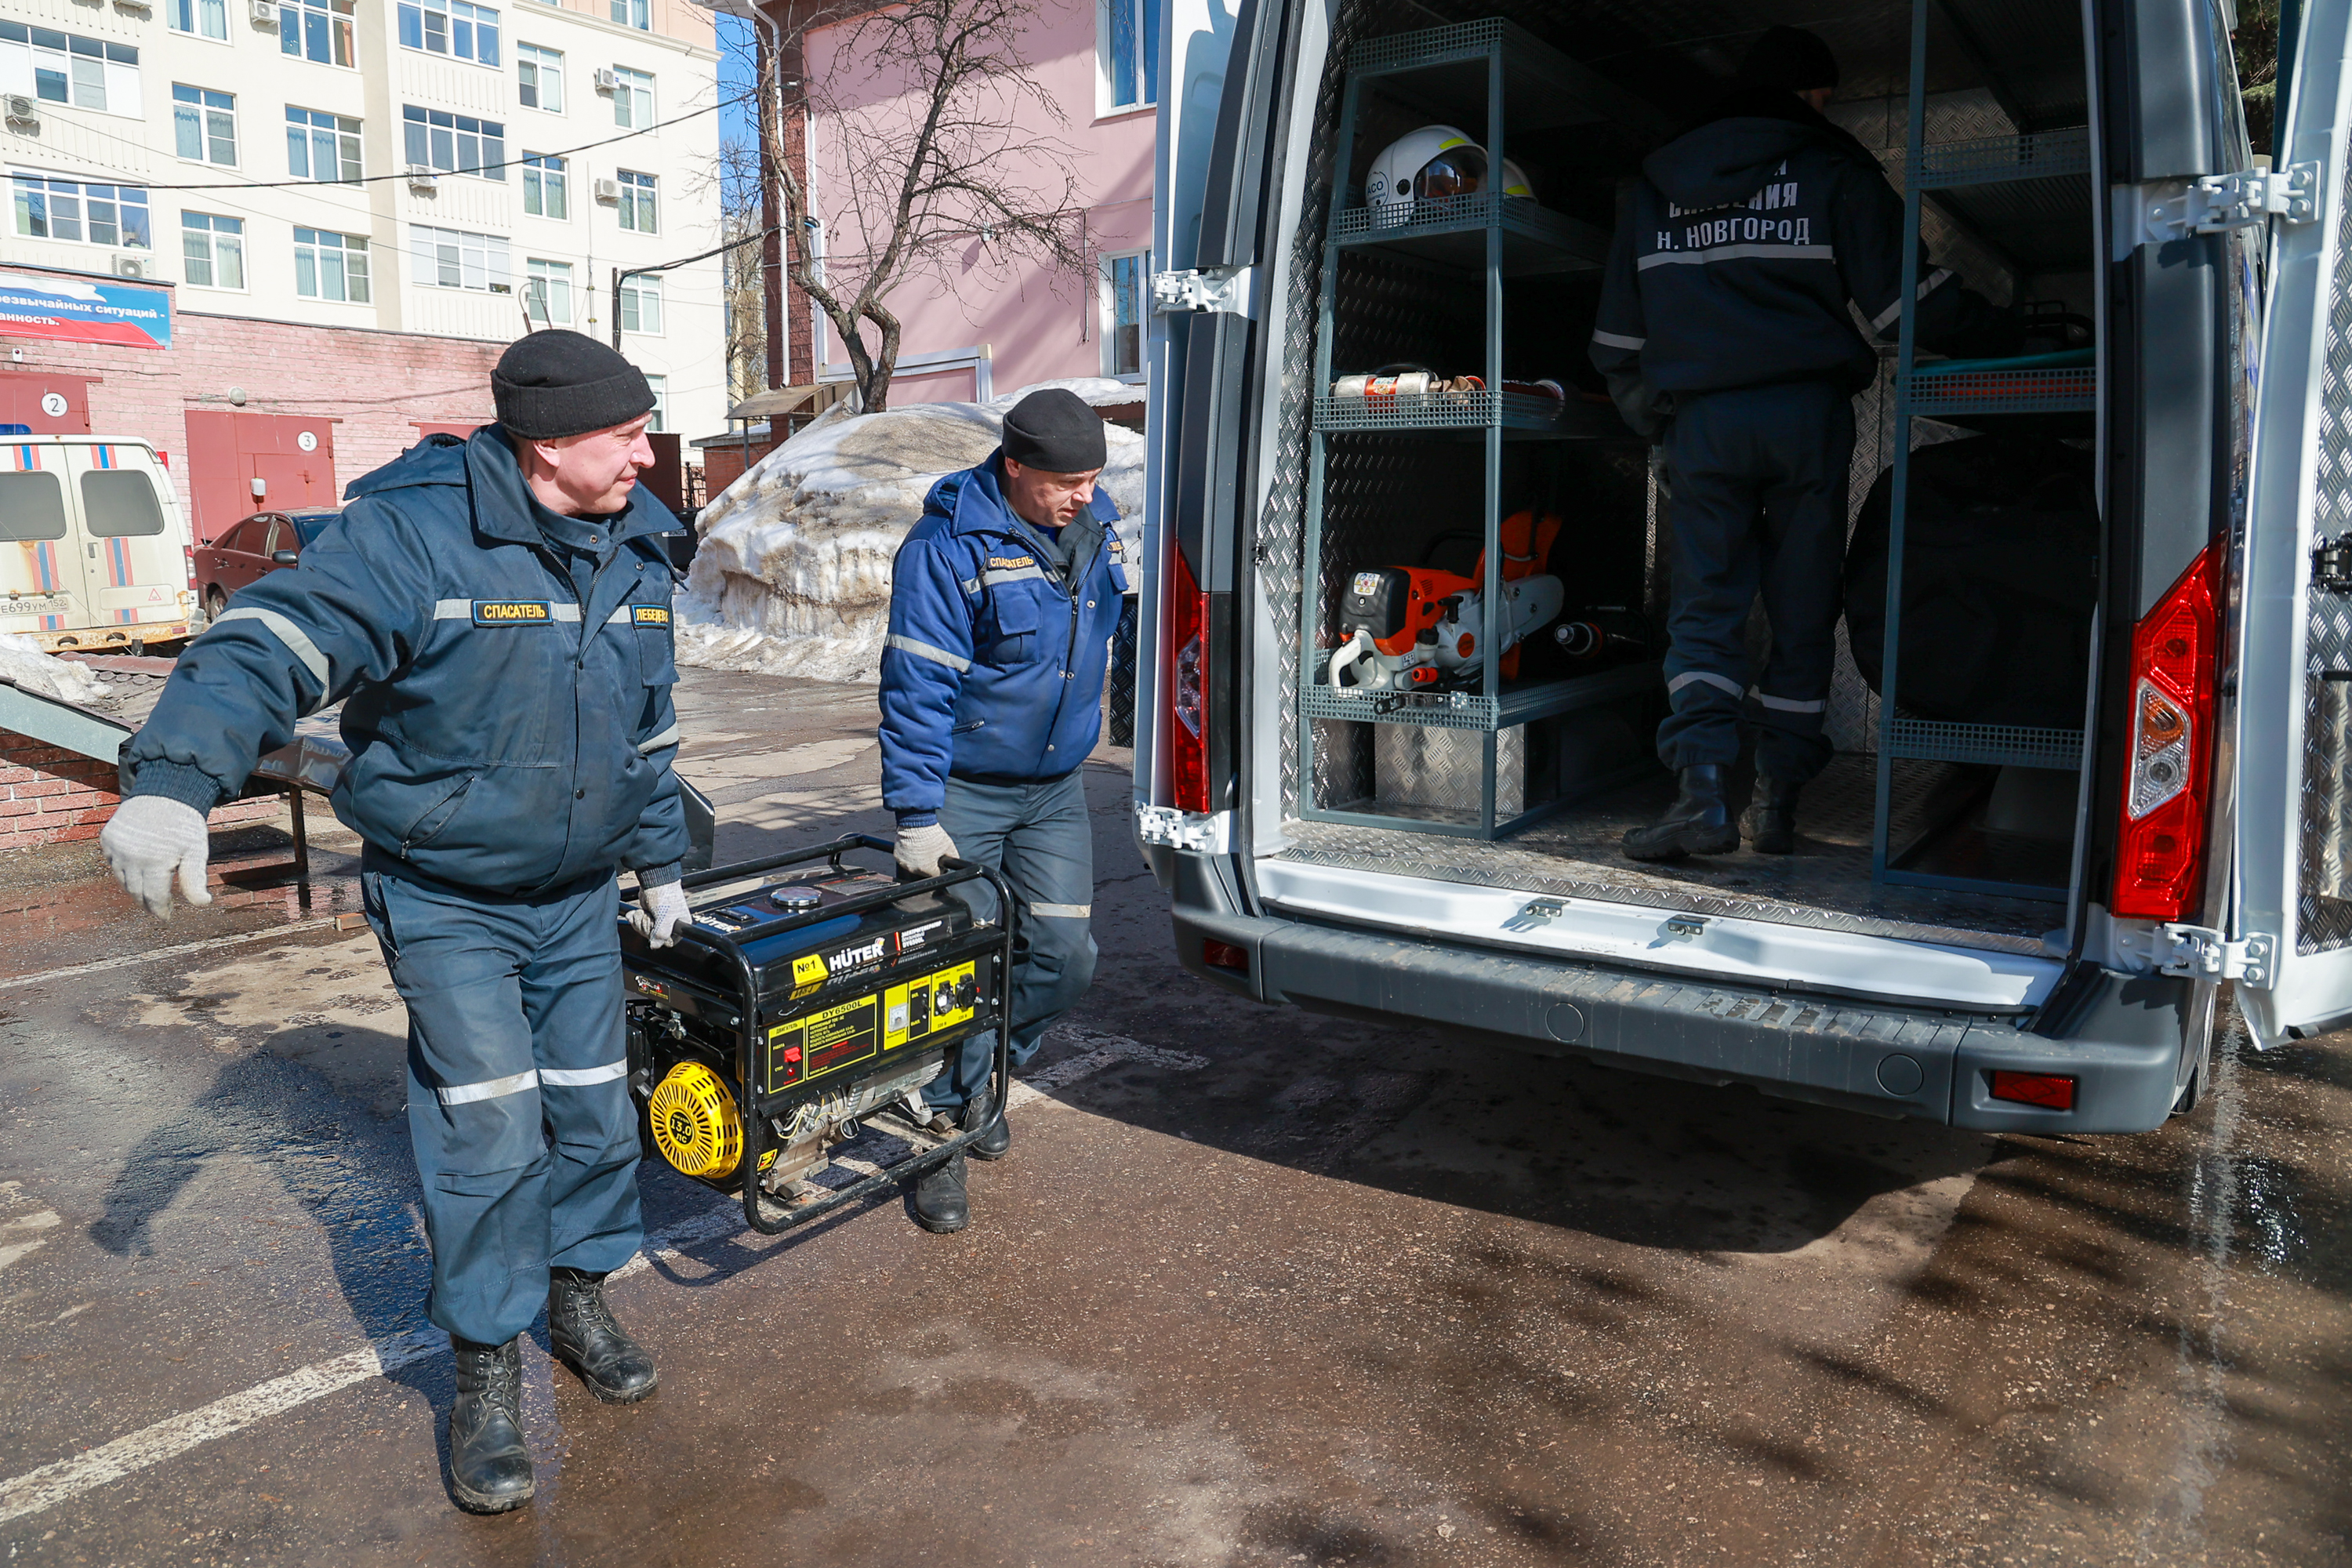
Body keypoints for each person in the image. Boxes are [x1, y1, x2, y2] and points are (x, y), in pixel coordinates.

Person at [99, 331, 692, 1515]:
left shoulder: (638, 541)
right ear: (548, 442)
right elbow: (265, 642)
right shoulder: (415, 536)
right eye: (625, 433)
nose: (646, 451)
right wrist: (175, 779)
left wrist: (660, 861)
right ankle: (484, 1370)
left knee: (591, 1110)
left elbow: (648, 731)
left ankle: (577, 1293)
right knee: (487, 1135)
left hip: (575, 895)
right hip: (450, 897)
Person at [1589, 25, 2015, 861]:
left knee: (1704, 610)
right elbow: (1909, 308)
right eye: (1823, 97)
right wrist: (2020, 333)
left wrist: (1663, 424)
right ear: (1808, 95)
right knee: (1801, 608)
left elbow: (1615, 343)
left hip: (1703, 423)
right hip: (1805, 420)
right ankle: (1778, 804)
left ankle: (1700, 795)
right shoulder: (1832, 170)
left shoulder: (1651, 187)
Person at [877, 387, 1128, 1234]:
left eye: (1092, 477)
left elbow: (1108, 636)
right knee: (953, 970)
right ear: (1015, 467)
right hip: (966, 788)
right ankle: (942, 1134)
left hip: (1054, 789)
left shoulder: (1095, 530)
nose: (1083, 494)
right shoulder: (946, 546)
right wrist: (916, 814)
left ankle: (980, 1078)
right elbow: (916, 686)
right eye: (1067, 481)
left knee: (1063, 955)